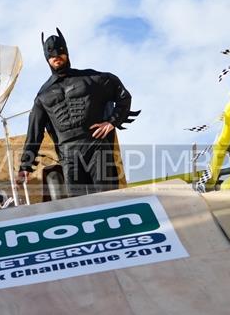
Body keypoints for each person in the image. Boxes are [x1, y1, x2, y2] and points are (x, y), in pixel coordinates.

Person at [16, 27, 138, 197]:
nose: (56, 56)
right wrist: (25, 167)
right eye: (51, 54)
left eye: (60, 51)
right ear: (46, 58)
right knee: (78, 205)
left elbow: (123, 96)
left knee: (109, 198)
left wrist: (112, 122)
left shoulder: (91, 80)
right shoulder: (42, 96)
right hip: (68, 155)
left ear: (66, 51)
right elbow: (34, 134)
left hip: (96, 146)